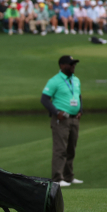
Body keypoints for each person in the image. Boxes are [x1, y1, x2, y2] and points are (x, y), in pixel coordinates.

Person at [41, 55, 84, 187]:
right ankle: (57, 178)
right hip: (61, 120)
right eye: (70, 64)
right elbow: (44, 99)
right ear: (62, 66)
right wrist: (56, 112)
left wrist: (80, 110)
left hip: (74, 119)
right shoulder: (55, 80)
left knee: (71, 149)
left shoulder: (76, 80)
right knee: (60, 149)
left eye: (74, 64)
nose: (73, 66)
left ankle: (69, 176)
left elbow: (79, 96)